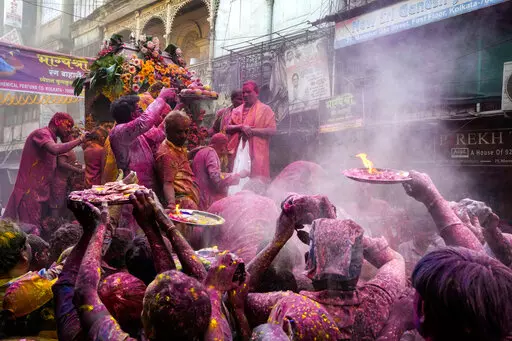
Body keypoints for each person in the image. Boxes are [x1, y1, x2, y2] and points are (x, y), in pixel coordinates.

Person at [4, 112, 85, 225]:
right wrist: (80, 140)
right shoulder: (42, 133)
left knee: (41, 229)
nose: (69, 130)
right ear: (57, 122)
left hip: (41, 192)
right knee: (31, 231)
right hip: (30, 193)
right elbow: (55, 149)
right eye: (68, 125)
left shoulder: (51, 138)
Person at [109, 89, 174, 190]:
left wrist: (178, 109)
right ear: (132, 114)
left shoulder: (135, 132)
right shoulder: (119, 132)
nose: (142, 112)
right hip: (133, 188)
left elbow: (159, 134)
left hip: (148, 187)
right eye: (139, 109)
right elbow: (145, 121)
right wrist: (161, 98)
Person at [226, 80, 277, 184]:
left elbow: (272, 130)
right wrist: (241, 127)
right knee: (237, 182)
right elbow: (227, 128)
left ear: (256, 93)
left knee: (257, 183)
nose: (245, 95)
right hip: (238, 153)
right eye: (243, 92)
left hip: (257, 154)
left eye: (248, 92)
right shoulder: (236, 111)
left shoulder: (265, 110)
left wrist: (251, 131)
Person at [155, 111, 200, 210]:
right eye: (179, 132)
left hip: (188, 199)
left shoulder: (176, 145)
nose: (184, 135)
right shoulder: (166, 154)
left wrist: (193, 153)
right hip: (181, 203)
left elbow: (178, 163)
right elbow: (168, 183)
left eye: (186, 131)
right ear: (167, 131)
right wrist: (171, 204)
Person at [192, 133, 248, 210]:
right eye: (225, 147)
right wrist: (237, 175)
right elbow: (216, 178)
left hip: (197, 195)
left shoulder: (202, 152)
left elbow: (212, 174)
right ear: (222, 146)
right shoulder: (211, 152)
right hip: (205, 200)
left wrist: (231, 175)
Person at [50, 133, 84, 217]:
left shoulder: (69, 149)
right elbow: (61, 163)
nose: (76, 139)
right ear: (69, 136)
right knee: (56, 205)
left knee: (61, 203)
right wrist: (77, 170)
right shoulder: (64, 148)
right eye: (74, 137)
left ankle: (58, 222)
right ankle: (54, 224)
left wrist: (76, 165)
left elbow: (68, 162)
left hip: (64, 179)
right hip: (58, 180)